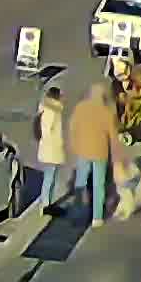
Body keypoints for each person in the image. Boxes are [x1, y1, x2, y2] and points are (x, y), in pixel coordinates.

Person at [66, 74, 118, 218]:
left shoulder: (80, 108)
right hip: (100, 153)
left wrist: (74, 144)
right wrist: (116, 156)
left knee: (80, 182)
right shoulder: (107, 112)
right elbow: (113, 136)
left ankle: (79, 211)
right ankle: (97, 217)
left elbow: (72, 128)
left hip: (83, 151)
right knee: (98, 185)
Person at [36, 86, 74, 210]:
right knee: (49, 178)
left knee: (50, 177)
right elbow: (46, 131)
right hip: (50, 150)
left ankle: (46, 202)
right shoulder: (51, 111)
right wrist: (55, 143)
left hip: (50, 149)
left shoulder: (52, 110)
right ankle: (46, 205)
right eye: (61, 96)